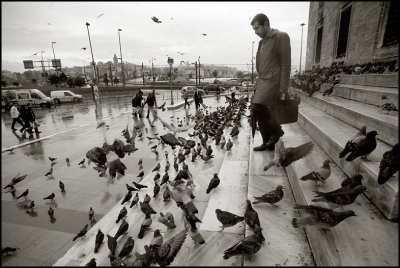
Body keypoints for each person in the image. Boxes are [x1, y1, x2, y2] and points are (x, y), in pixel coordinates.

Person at [250, 13, 290, 151]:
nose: (256, 32)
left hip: (274, 82)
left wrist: (283, 90)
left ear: (266, 24)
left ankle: (277, 131)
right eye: (254, 29)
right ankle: (267, 142)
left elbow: (286, 64)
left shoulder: (281, 36)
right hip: (263, 81)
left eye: (257, 28)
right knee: (258, 113)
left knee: (257, 108)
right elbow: (262, 64)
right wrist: (258, 80)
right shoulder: (262, 42)